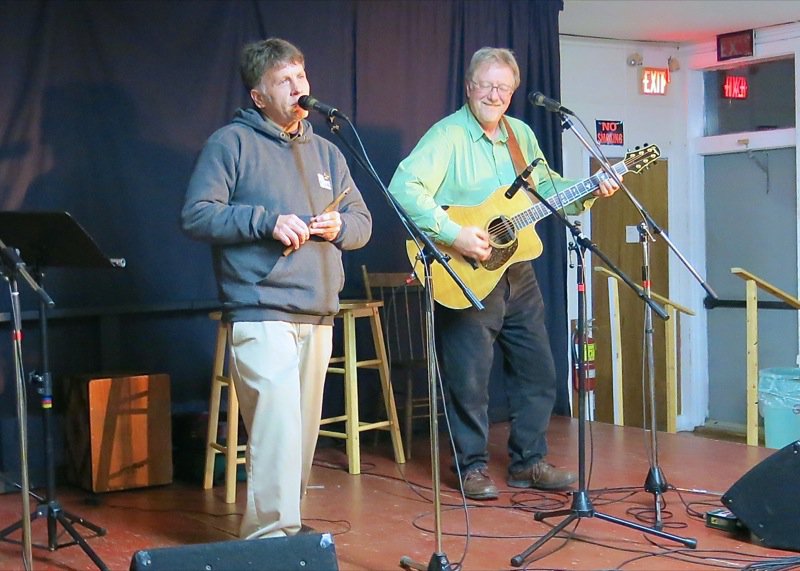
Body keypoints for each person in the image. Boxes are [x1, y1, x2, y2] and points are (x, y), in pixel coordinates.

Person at [387, 47, 618, 500]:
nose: (494, 95)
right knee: (469, 378)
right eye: (486, 85)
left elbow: (547, 190)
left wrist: (591, 189)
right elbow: (402, 187)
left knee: (539, 371)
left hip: (519, 270)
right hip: (466, 272)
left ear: (512, 92)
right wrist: (453, 233)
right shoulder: (447, 136)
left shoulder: (521, 135)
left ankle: (528, 462)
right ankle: (470, 467)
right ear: (470, 87)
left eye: (503, 88)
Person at [181, 38, 372, 537]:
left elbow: (363, 221)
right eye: (284, 81)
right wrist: (266, 222)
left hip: (317, 311)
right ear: (258, 95)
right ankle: (270, 544)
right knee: (278, 431)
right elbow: (198, 214)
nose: (298, 89)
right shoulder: (231, 143)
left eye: (301, 78)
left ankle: (288, 534)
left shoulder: (329, 150)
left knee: (303, 436)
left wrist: (339, 229)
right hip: (260, 308)